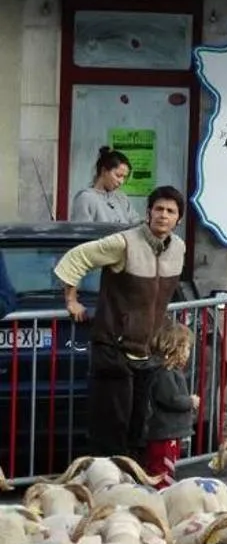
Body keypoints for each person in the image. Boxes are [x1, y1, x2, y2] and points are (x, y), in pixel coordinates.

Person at [53, 185, 187, 459]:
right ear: (148, 212)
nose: (163, 215)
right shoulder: (124, 242)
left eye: (170, 211)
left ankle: (133, 487)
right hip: (113, 348)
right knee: (111, 429)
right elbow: (76, 257)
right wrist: (71, 300)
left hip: (146, 351)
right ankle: (106, 488)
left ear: (178, 219)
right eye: (158, 209)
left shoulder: (179, 248)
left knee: (139, 427)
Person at [139, 321, 198, 487]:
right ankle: (161, 494)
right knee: (162, 469)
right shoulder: (164, 374)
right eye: (186, 348)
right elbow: (171, 399)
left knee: (166, 466)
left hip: (169, 432)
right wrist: (190, 401)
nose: (188, 353)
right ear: (175, 348)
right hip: (164, 433)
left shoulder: (169, 372)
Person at [70, 146, 140, 227]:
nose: (121, 181)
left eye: (124, 177)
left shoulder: (122, 198)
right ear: (104, 171)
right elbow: (82, 232)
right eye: (118, 175)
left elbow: (136, 225)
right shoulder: (86, 198)